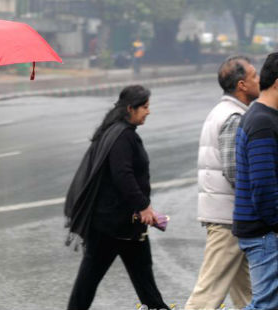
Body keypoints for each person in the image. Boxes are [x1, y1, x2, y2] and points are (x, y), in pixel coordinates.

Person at [65, 85, 169, 310]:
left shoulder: (117, 131)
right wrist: (143, 207)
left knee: (143, 283)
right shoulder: (122, 136)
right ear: (130, 109)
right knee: (90, 283)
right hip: (115, 226)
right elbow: (123, 175)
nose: (148, 111)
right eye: (145, 107)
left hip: (120, 225)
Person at [185, 55, 259, 310]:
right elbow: (235, 171)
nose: (259, 80)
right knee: (207, 294)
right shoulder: (233, 117)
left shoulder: (224, 111)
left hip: (228, 216)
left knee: (249, 294)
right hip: (228, 218)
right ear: (241, 85)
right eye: (254, 76)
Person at [233, 52, 278, 310]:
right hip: (265, 233)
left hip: (265, 230)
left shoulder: (263, 115)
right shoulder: (262, 121)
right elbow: (262, 187)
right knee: (266, 304)